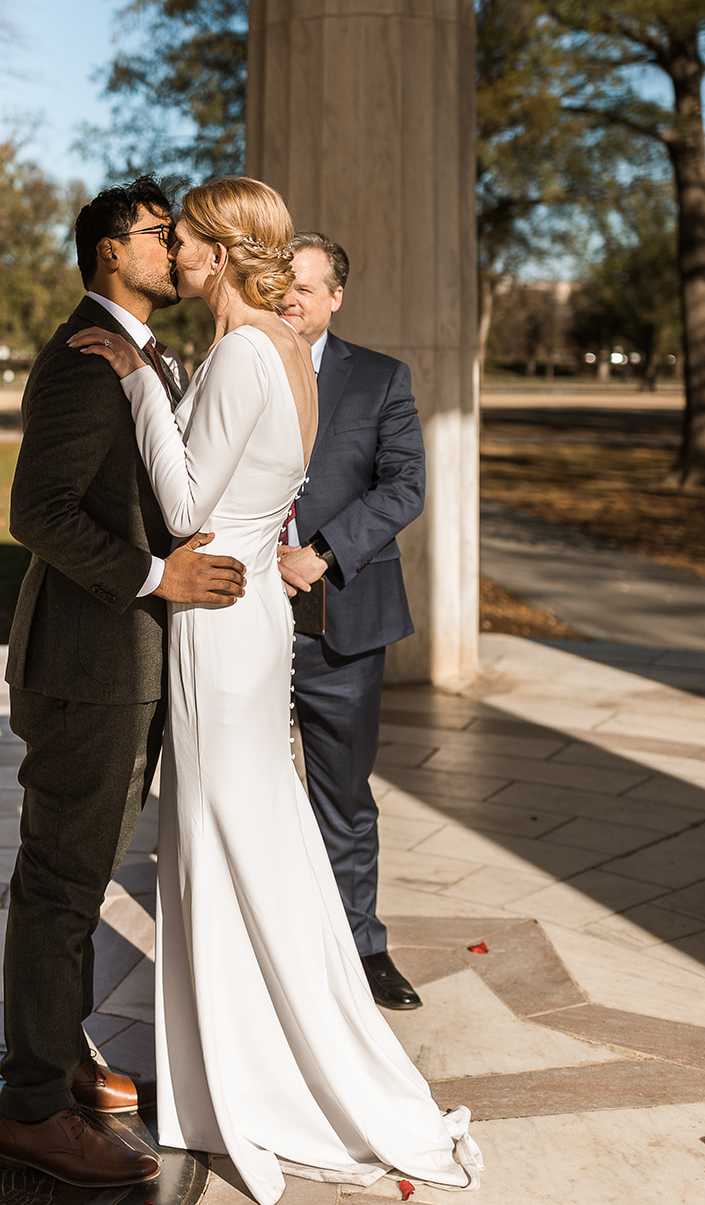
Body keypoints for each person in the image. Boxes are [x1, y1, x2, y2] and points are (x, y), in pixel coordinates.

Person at [70, 177, 482, 1205]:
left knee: (220, 838)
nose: (176, 254)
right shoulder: (287, 350)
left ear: (219, 249)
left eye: (188, 239)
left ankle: (248, 1078)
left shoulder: (248, 349)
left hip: (216, 621)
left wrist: (134, 379)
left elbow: (178, 504)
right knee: (237, 834)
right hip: (247, 612)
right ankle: (236, 1065)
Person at [0, 177, 247, 1188]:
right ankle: (29, 1108)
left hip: (125, 665)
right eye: (158, 237)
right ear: (109, 252)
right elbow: (38, 514)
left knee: (78, 875)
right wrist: (156, 575)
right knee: (59, 882)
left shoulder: (147, 355)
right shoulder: (80, 362)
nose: (175, 250)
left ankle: (61, 1056)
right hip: (85, 668)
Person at [278, 233, 426, 1011]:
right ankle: (267, 943)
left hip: (342, 615)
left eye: (305, 287)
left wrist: (322, 553)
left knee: (341, 793)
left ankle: (361, 946)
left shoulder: (379, 378)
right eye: (281, 284)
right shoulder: (239, 365)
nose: (290, 298)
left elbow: (404, 487)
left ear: (336, 296)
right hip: (244, 615)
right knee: (248, 789)